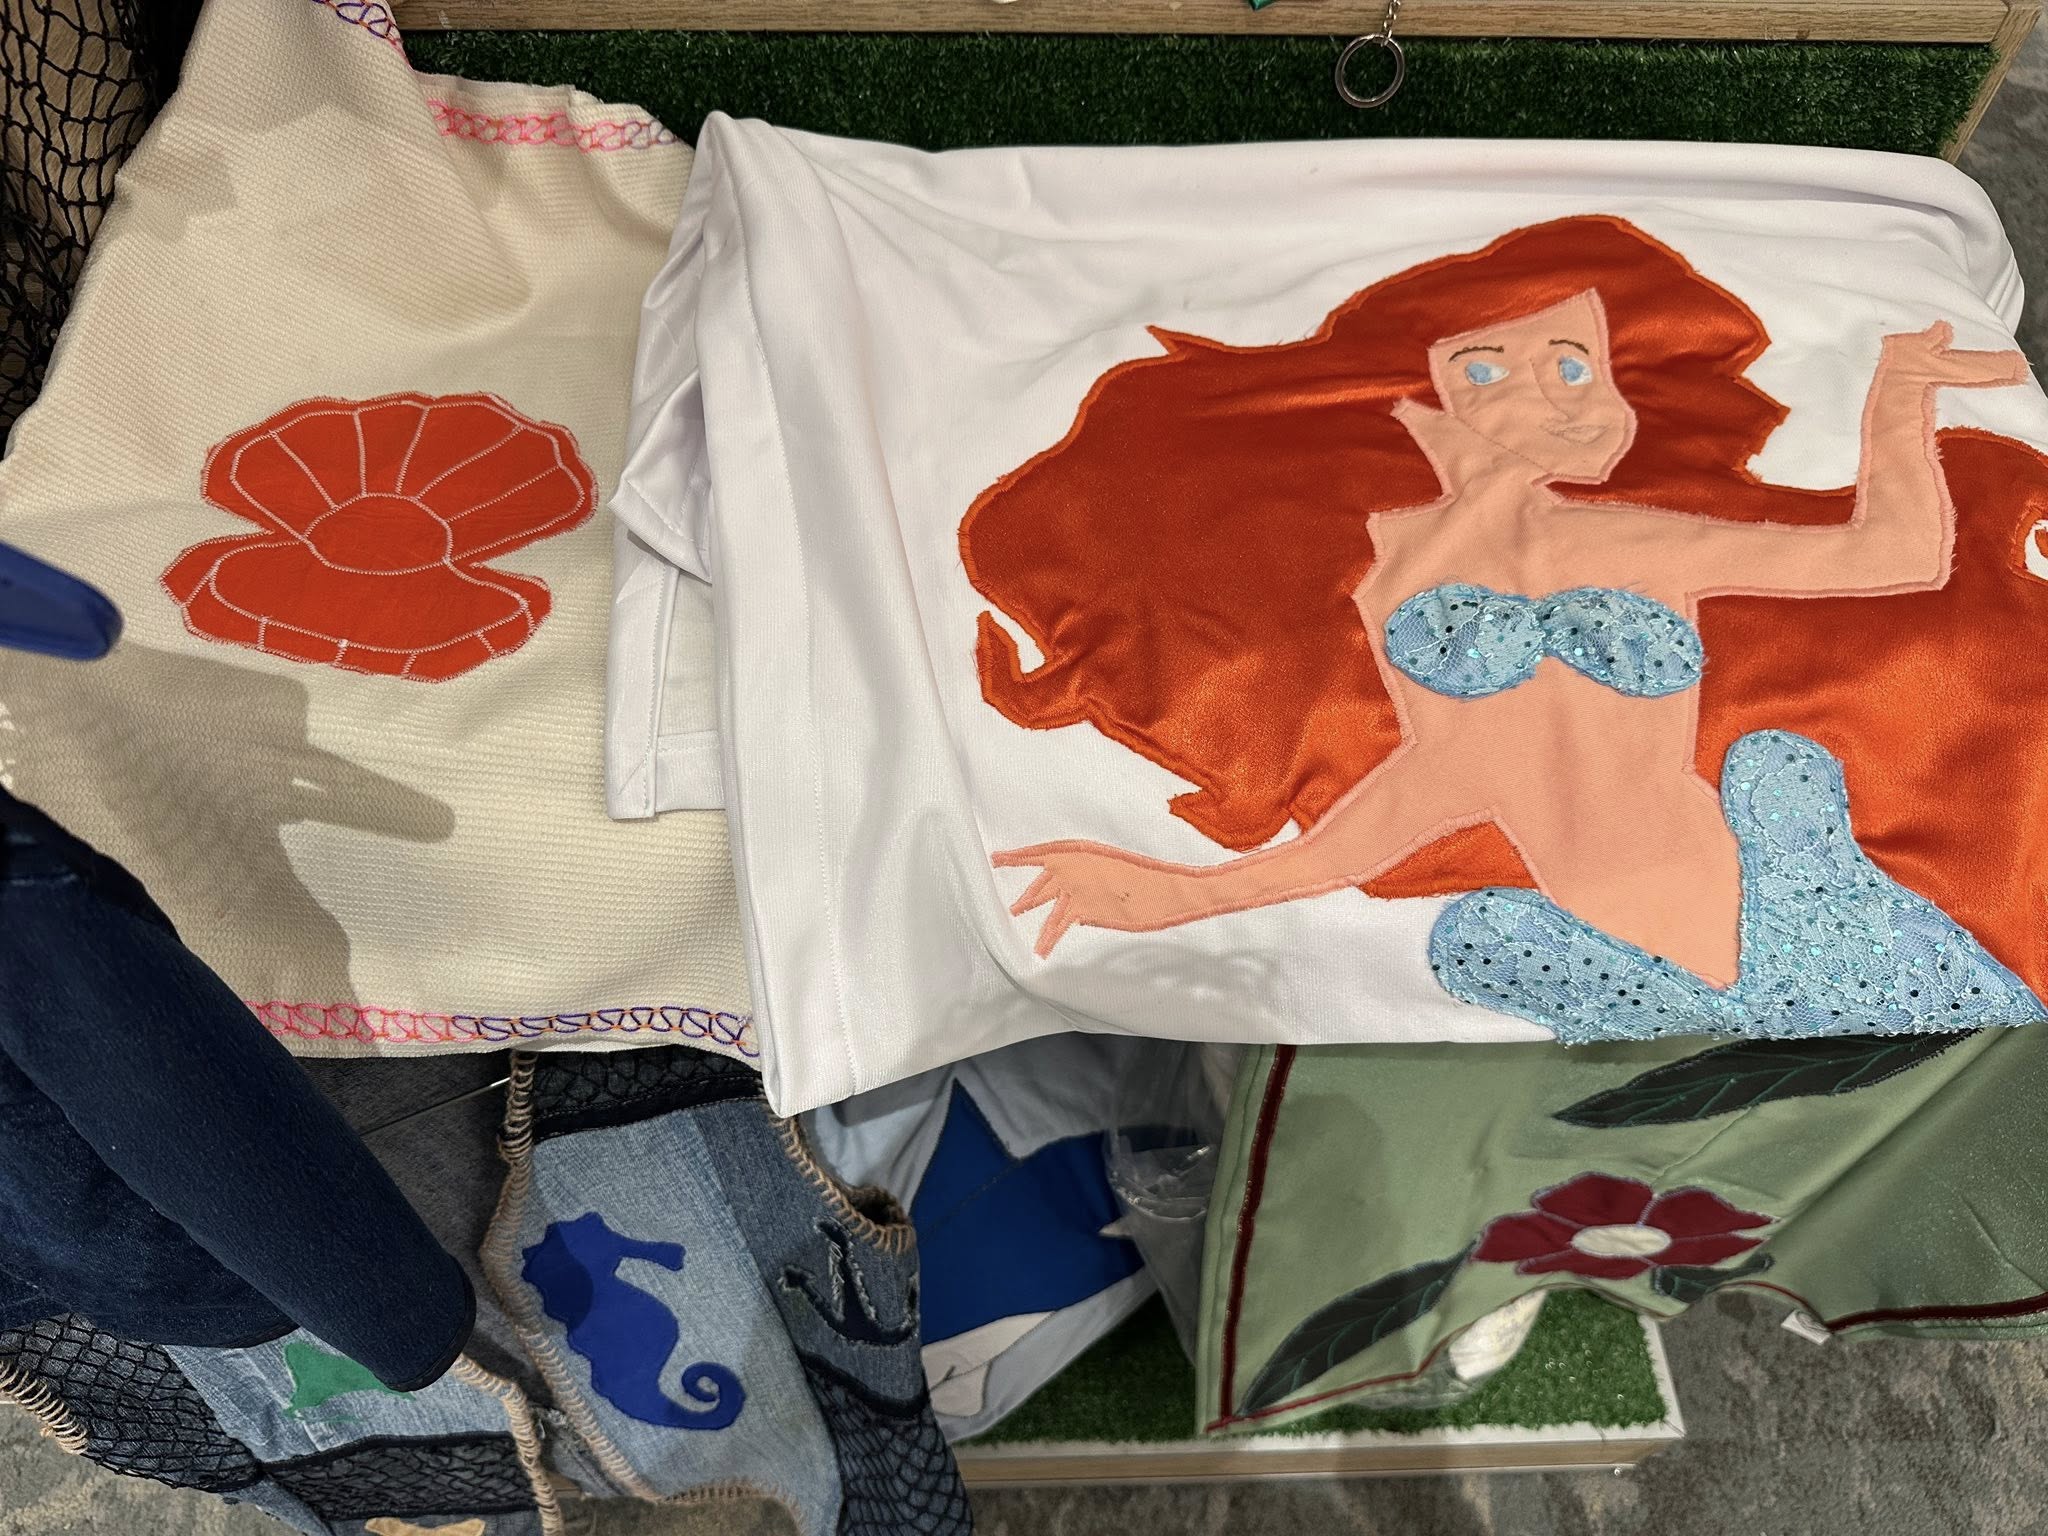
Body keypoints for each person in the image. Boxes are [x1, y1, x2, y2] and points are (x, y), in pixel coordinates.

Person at [959, 216, 2044, 1042]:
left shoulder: (1615, 538)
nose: (1558, 394)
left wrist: (1899, 393)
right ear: (1420, 396)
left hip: (1804, 916)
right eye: (1489, 366)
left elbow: (1890, 558)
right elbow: (1436, 782)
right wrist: (1192, 895)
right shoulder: (1400, 581)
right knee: (1483, 941)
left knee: (1776, 779)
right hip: (1658, 957)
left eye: (1575, 362)